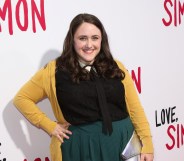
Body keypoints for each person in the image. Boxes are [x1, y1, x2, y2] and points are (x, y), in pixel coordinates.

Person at [13, 13, 154, 161]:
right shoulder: (53, 71)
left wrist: (147, 144)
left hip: (123, 143)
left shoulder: (115, 66)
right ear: (72, 40)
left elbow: (135, 108)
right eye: (82, 38)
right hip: (81, 148)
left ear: (102, 40)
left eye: (95, 38)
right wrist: (49, 125)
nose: (89, 45)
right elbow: (22, 99)